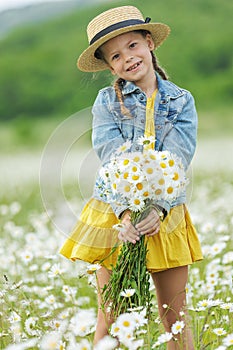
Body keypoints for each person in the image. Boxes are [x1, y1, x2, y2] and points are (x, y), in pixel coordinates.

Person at [60, 5, 203, 349]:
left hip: (166, 215)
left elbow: (177, 160)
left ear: (150, 43)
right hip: (115, 214)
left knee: (175, 316)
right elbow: (111, 155)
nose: (128, 58)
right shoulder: (107, 102)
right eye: (116, 55)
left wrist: (156, 209)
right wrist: (127, 213)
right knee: (111, 312)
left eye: (133, 46)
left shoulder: (181, 101)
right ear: (110, 66)